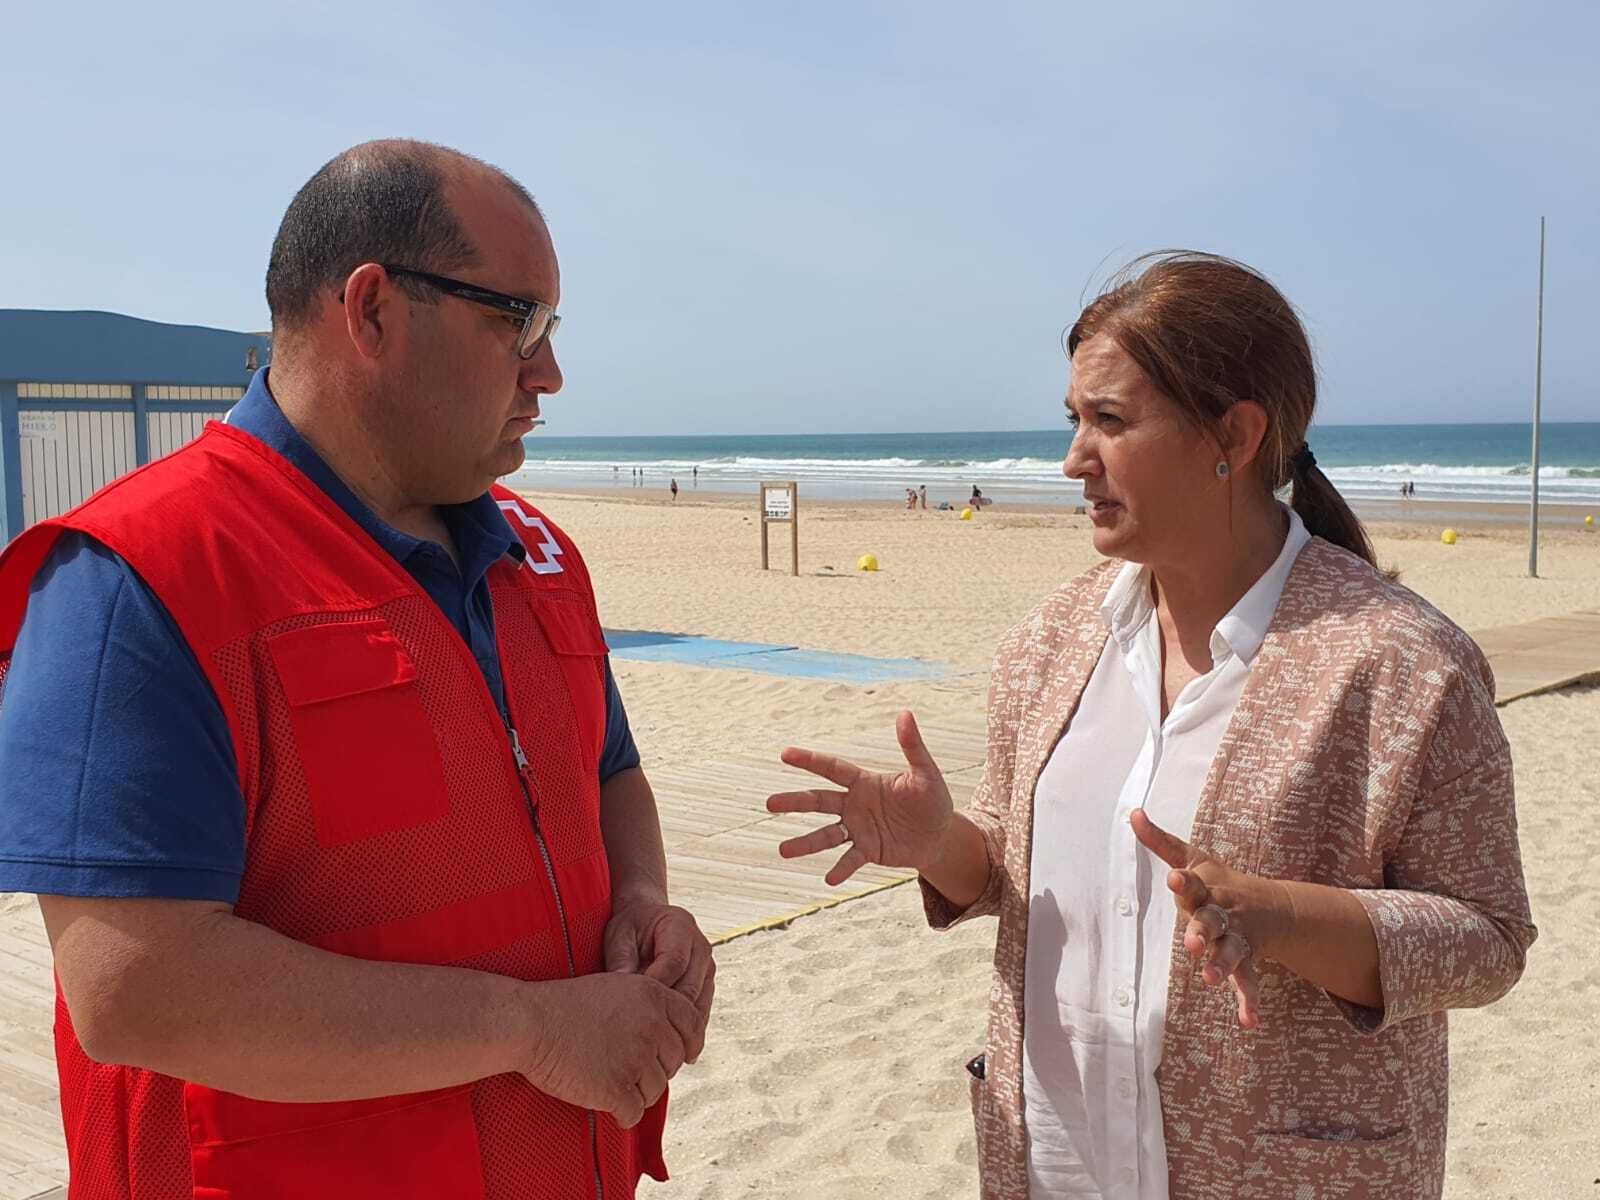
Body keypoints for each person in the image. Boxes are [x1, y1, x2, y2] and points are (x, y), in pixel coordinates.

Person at [0, 140, 713, 1199]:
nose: (549, 371)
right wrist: (527, 1028)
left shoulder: (540, 558)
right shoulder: (141, 576)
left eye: (552, 328)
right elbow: (136, 989)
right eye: (517, 320)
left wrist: (644, 904)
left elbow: (608, 773)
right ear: (372, 309)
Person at [767, 252, 1534, 1199]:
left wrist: (1283, 916)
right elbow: (1011, 869)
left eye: (1111, 421)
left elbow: (1489, 938)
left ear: (1236, 435)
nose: (1072, 458)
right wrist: (943, 844)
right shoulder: (1050, 643)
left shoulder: (1402, 664)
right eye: (1074, 418)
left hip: (1282, 1171)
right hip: (1057, 1161)